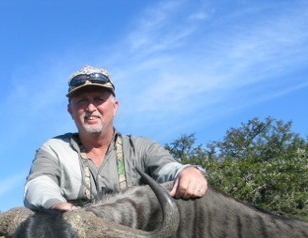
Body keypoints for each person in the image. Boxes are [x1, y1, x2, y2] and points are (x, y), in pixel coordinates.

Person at [24, 66, 208, 211]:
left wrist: (188, 172)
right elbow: (38, 184)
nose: (90, 108)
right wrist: (56, 205)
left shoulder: (142, 147)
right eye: (81, 101)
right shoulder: (54, 149)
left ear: (115, 107)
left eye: (98, 99)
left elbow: (168, 169)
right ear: (70, 110)